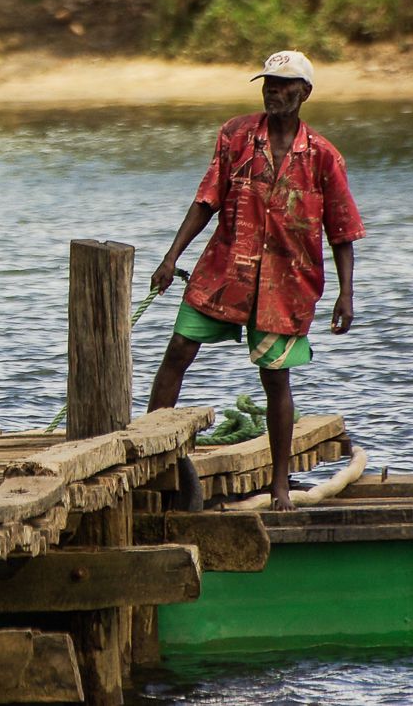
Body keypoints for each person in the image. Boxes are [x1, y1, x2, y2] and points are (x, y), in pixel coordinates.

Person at [146, 50, 363, 511]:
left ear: (304, 93)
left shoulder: (323, 156)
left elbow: (342, 229)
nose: (273, 91)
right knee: (179, 350)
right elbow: (207, 199)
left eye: (284, 85)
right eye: (268, 83)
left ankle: (280, 487)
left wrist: (346, 293)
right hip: (226, 268)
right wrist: (171, 256)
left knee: (275, 378)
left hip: (286, 283)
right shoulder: (237, 135)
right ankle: (152, 464)